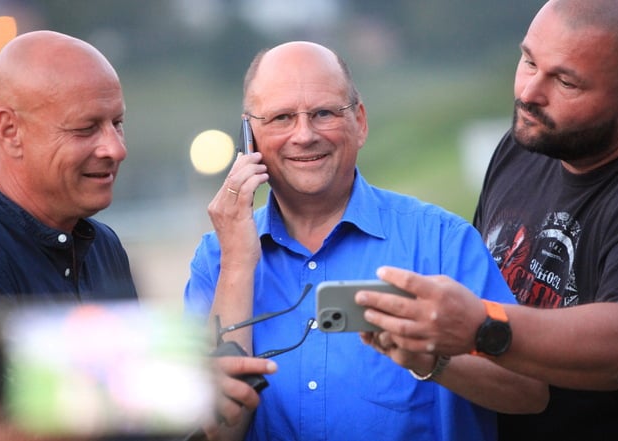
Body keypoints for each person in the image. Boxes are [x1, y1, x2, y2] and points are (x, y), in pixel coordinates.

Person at [0, 30, 273, 441]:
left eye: (117, 123)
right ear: (9, 131)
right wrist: (159, 390)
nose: (116, 149)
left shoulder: (104, 247)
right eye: (86, 129)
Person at [355, 1, 618, 440]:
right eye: (529, 60)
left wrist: (480, 324)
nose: (530, 92)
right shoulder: (533, 141)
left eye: (565, 81)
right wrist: (433, 353)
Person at [184, 41, 548, 441]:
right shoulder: (216, 258)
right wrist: (237, 262)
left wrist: (431, 359)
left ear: (360, 122)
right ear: (249, 135)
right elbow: (220, 432)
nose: (303, 135)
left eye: (323, 113)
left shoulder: (443, 242)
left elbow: (529, 392)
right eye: (281, 117)